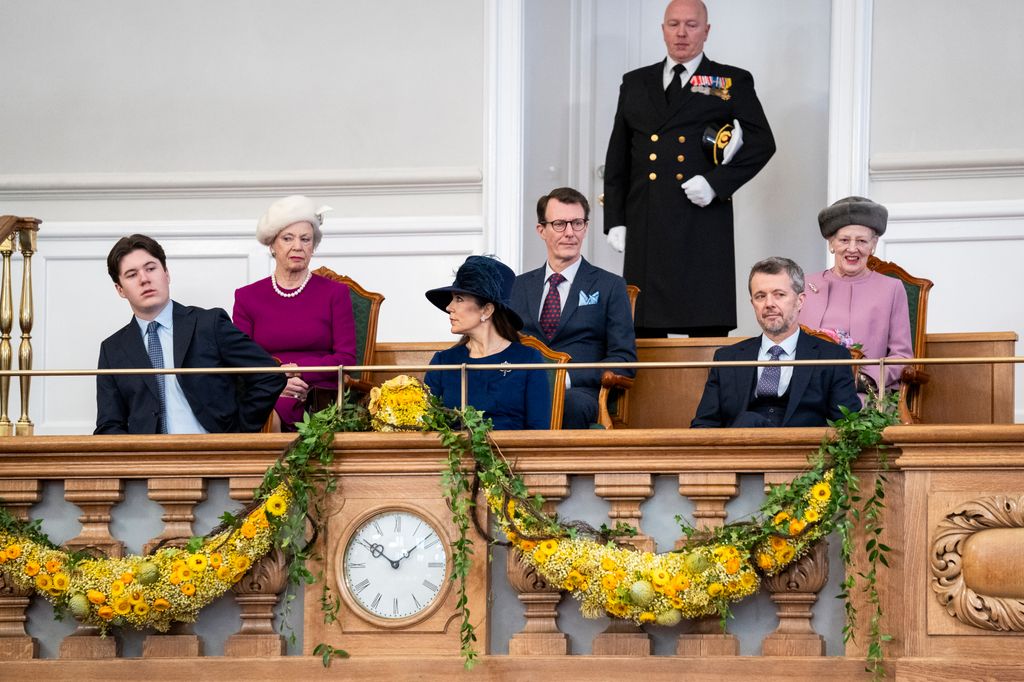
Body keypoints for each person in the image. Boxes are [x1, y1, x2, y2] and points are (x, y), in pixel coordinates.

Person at [603, 0, 775, 338]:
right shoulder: (635, 82)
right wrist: (616, 220)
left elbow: (761, 142)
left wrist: (716, 184)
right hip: (647, 219)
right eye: (673, 24)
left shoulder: (729, 80)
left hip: (702, 220)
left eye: (692, 25)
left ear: (707, 30)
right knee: (644, 329)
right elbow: (618, 156)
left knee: (705, 328)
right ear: (663, 29)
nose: (682, 33)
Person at [96, 234, 284, 434]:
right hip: (150, 460)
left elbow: (270, 374)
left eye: (151, 268)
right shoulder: (112, 349)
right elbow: (109, 425)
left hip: (214, 455)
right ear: (120, 289)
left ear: (166, 274)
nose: (144, 279)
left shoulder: (208, 324)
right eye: (132, 274)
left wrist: (238, 432)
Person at [510, 187, 638, 429]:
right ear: (541, 230)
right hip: (520, 387)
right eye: (559, 224)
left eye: (577, 223)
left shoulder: (610, 285)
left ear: (586, 228)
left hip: (578, 392)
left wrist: (565, 378)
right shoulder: (517, 286)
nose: (569, 233)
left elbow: (624, 359)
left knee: (569, 404)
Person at [233, 195, 357, 431]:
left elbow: (347, 358)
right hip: (266, 388)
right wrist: (276, 381)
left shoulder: (335, 293)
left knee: (274, 409)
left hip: (319, 392)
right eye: (287, 238)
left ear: (314, 245)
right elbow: (240, 359)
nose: (297, 246)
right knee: (268, 408)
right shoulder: (247, 297)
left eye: (305, 239)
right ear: (272, 245)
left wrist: (297, 371)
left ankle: (276, 469)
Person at [691, 257, 860, 428]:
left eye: (779, 295)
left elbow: (849, 428)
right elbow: (703, 426)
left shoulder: (833, 357)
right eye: (760, 296)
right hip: (740, 451)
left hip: (805, 452)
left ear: (800, 301)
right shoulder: (726, 359)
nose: (769, 304)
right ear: (753, 304)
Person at [799, 196, 913, 393]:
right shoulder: (804, 285)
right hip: (806, 393)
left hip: (862, 394)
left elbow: (902, 356)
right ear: (831, 244)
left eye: (861, 241)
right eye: (844, 240)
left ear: (873, 244)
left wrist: (866, 378)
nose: (852, 249)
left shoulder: (891, 288)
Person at [424, 256, 551, 430]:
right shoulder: (443, 362)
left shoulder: (527, 359)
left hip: (513, 456)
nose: (449, 307)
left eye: (459, 299)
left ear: (487, 310)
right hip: (453, 456)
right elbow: (428, 429)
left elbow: (539, 431)